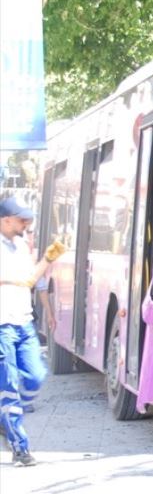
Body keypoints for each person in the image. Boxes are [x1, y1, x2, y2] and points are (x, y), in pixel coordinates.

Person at [0, 198, 65, 465]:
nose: (26, 223)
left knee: (36, 377)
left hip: (24, 323)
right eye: (21, 219)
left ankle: (6, 414)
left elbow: (33, 280)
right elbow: (25, 280)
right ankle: (20, 447)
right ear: (5, 220)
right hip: (2, 326)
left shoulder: (20, 245)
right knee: (10, 386)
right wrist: (47, 259)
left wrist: (48, 259)